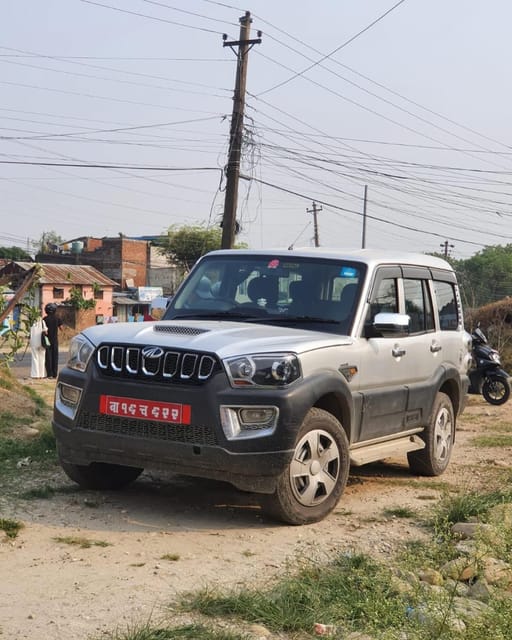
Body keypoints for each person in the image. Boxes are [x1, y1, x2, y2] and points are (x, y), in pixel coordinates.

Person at [42, 303, 63, 379]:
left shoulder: (44, 319)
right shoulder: (58, 318)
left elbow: (45, 331)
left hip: (47, 340)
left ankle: (49, 374)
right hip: (55, 341)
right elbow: (61, 328)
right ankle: (55, 374)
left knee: (48, 357)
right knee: (55, 357)